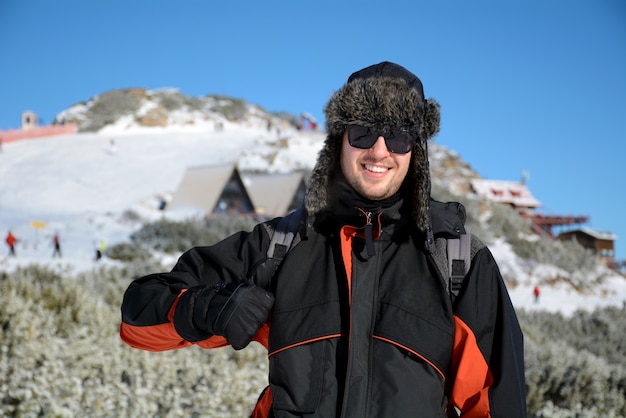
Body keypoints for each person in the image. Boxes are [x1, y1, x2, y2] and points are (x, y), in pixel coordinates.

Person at [120, 62, 527, 417]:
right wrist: (206, 308)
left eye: (399, 135)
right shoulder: (282, 245)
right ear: (339, 139)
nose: (380, 150)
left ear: (416, 149)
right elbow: (137, 317)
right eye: (363, 131)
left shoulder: (457, 260)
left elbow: (496, 404)